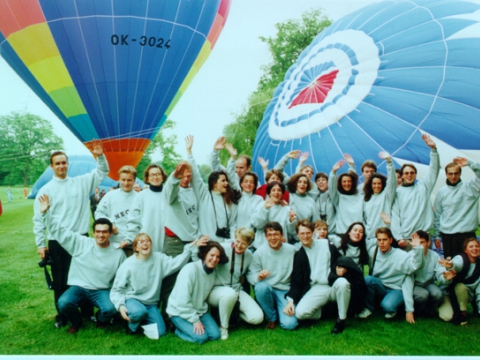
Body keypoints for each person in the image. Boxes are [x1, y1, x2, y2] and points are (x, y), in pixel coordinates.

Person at [33, 143, 108, 328]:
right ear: (52, 166)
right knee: (60, 280)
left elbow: (102, 172)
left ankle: (87, 313)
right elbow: (38, 219)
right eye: (57, 163)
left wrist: (100, 156)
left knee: (86, 278)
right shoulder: (45, 190)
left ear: (68, 164)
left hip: (81, 239)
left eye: (64, 163)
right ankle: (62, 315)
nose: (61, 166)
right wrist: (41, 244)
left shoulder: (81, 182)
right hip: (58, 242)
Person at [38, 194, 126, 333]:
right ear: (93, 232)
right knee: (63, 302)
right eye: (97, 232)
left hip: (101, 289)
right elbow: (60, 231)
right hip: (79, 287)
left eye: (104, 232)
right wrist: (45, 213)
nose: (101, 235)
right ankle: (76, 322)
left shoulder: (118, 253)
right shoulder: (81, 243)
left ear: (110, 233)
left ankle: (101, 319)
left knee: (110, 308)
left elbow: (124, 276)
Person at [110, 233, 205, 337]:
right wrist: (120, 305)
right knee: (139, 312)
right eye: (140, 242)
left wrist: (190, 247)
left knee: (161, 332)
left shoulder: (159, 258)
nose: (144, 244)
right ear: (136, 247)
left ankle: (142, 320)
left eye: (147, 241)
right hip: (133, 299)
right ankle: (132, 327)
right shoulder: (128, 264)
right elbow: (116, 289)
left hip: (151, 304)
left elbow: (176, 262)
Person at [284, 220, 353, 334]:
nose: (305, 236)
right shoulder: (299, 255)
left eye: (308, 233)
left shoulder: (326, 244)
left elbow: (341, 260)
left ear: (312, 233)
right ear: (297, 235)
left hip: (333, 283)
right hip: (317, 288)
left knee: (343, 283)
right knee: (300, 313)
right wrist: (291, 301)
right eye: (302, 233)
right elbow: (297, 280)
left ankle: (341, 319)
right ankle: (329, 310)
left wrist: (343, 268)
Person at [160, 136, 201, 326]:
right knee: (171, 280)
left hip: (193, 241)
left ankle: (188, 313)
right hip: (175, 242)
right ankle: (167, 317)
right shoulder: (172, 192)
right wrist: (174, 178)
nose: (186, 178)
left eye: (188, 175)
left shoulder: (195, 191)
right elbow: (169, 192)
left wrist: (190, 152)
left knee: (190, 279)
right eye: (182, 176)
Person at [205, 228, 264, 340]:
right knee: (229, 294)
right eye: (237, 241)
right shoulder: (221, 248)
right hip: (216, 290)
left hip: (236, 289)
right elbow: (205, 258)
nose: (239, 245)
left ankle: (234, 315)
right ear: (234, 239)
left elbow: (250, 275)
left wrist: (258, 277)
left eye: (244, 243)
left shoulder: (249, 256)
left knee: (257, 318)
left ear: (249, 244)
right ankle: (224, 327)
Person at [358, 227, 424, 323]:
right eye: (379, 240)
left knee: (387, 307)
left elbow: (415, 266)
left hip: (396, 288)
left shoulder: (400, 255)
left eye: (384, 240)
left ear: (391, 240)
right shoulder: (373, 251)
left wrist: (417, 248)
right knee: (368, 279)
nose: (382, 243)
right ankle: (369, 308)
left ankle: (393, 306)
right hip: (381, 285)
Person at [167, 241, 228, 344]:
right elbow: (182, 301)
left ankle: (189, 326)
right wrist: (195, 321)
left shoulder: (212, 272)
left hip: (199, 310)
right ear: (204, 254)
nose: (214, 259)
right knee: (201, 338)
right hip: (179, 312)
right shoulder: (190, 270)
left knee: (215, 335)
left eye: (217, 257)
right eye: (212, 255)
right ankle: (174, 328)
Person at [391, 134, 439, 249]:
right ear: (402, 175)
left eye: (412, 173)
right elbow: (395, 217)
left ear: (415, 174)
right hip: (407, 239)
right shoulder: (397, 193)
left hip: (424, 237)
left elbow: (434, 170)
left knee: (426, 266)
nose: (409, 175)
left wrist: (433, 150)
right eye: (406, 173)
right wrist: (399, 237)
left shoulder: (424, 187)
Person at [247, 222, 298, 330]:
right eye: (270, 235)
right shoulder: (259, 253)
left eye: (276, 234)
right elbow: (250, 275)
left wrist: (292, 298)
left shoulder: (292, 250)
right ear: (266, 237)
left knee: (290, 324)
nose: (273, 237)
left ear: (282, 235)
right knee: (260, 287)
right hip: (267, 290)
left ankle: (279, 310)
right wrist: (258, 277)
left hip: (285, 291)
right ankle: (271, 318)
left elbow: (299, 275)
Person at [433, 157, 480, 258]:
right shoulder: (441, 192)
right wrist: (436, 235)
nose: (453, 176)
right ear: (446, 174)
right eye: (450, 173)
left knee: (470, 269)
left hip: (467, 235)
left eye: (456, 173)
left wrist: (469, 163)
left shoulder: (471, 187)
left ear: (460, 174)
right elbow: (437, 214)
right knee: (451, 269)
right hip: (448, 237)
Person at [94, 166, 138, 252]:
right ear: (119, 180)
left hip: (133, 244)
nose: (126, 183)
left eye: (129, 180)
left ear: (134, 180)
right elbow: (98, 213)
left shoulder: (139, 198)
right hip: (113, 243)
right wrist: (110, 224)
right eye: (123, 180)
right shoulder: (110, 196)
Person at [125, 164, 167, 252]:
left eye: (158, 174)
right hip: (147, 238)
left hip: (167, 240)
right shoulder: (141, 196)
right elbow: (133, 219)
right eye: (152, 174)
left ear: (163, 177)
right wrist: (131, 238)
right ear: (147, 178)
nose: (155, 177)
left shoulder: (169, 195)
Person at [440, 238, 480, 326]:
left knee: (462, 288)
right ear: (465, 250)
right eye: (471, 246)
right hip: (448, 293)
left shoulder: (479, 263)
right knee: (447, 316)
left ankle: (463, 313)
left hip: (467, 294)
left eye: (477, 246)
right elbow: (456, 265)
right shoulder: (461, 258)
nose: (474, 248)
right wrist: (451, 265)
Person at [251, 181, 296, 250]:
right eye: (273, 190)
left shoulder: (286, 208)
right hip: (262, 245)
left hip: (280, 245)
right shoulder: (262, 205)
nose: (276, 193)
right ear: (269, 193)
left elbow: (291, 231)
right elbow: (257, 224)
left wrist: (291, 221)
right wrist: (264, 209)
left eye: (279, 190)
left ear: (282, 193)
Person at [363, 152, 396, 241]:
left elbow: (392, 181)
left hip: (384, 236)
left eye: (379, 183)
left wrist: (389, 162)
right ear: (370, 185)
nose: (376, 186)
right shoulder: (366, 199)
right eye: (374, 183)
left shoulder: (386, 195)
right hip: (370, 237)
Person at [329, 156, 363, 241]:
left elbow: (354, 177)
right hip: (342, 234)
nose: (347, 184)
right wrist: (333, 172)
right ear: (340, 183)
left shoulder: (361, 197)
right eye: (344, 181)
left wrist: (352, 166)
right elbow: (332, 188)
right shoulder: (338, 198)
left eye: (349, 181)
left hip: (358, 235)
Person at [411, 230, 444, 317]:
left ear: (428, 243)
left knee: (438, 294)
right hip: (415, 284)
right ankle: (417, 310)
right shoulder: (410, 255)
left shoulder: (434, 255)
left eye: (422, 242)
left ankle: (430, 311)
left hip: (428, 283)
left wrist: (445, 276)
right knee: (423, 294)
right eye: (418, 243)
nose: (420, 246)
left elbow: (439, 270)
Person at [286, 173, 320, 244]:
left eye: (305, 182)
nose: (302, 184)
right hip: (290, 239)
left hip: (306, 239)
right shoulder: (289, 197)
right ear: (295, 184)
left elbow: (316, 222)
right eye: (300, 182)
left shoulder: (311, 201)